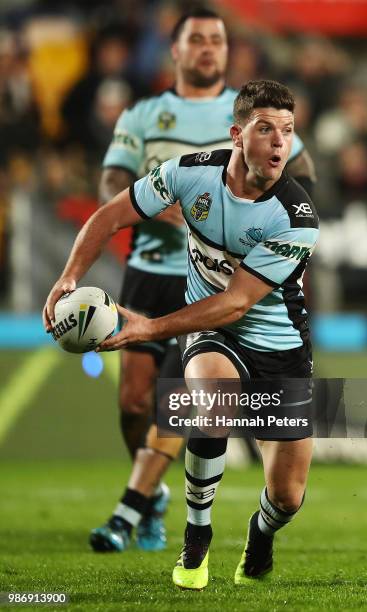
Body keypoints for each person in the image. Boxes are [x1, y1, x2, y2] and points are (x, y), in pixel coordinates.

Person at [43, 79, 319, 589]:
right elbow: (109, 215)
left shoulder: (296, 217)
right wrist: (70, 276)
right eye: (266, 129)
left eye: (288, 130)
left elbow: (238, 301)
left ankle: (260, 536)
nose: (280, 143)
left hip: (280, 344)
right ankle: (197, 541)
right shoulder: (189, 174)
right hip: (212, 333)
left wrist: (150, 326)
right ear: (237, 135)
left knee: (287, 497)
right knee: (213, 397)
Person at [89, 8, 316, 554]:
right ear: (176, 50)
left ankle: (133, 506)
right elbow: (113, 186)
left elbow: (302, 178)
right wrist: (169, 210)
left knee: (195, 405)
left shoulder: (260, 111)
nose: (209, 49)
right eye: (198, 40)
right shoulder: (145, 114)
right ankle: (165, 507)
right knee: (135, 401)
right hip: (152, 269)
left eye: (218, 39)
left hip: (233, 292)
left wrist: (279, 223)